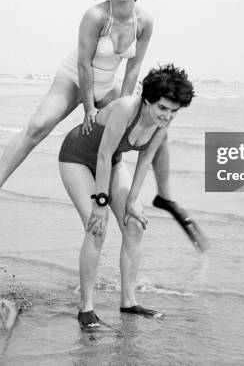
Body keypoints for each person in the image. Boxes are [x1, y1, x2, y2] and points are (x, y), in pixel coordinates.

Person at [0, 0, 172, 260]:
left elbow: (134, 69)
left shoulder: (145, 22)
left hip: (108, 84)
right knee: (38, 127)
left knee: (147, 127)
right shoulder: (96, 16)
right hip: (75, 78)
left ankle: (160, 194)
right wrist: (89, 108)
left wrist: (126, 109)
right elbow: (85, 65)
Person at [58, 64, 195, 330]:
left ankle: (129, 302)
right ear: (147, 100)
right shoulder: (125, 108)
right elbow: (103, 154)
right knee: (96, 226)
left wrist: (132, 200)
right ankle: (86, 308)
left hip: (111, 162)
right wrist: (100, 204)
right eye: (163, 108)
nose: (167, 116)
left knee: (133, 224)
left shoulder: (163, 122)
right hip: (77, 158)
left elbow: (145, 158)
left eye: (174, 111)